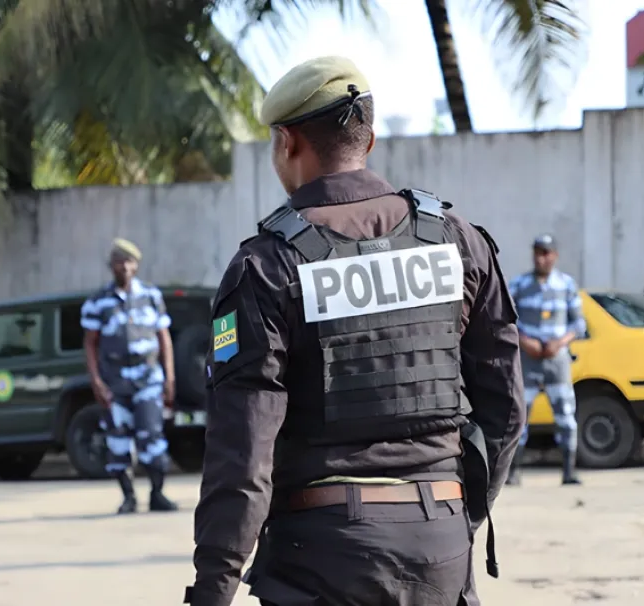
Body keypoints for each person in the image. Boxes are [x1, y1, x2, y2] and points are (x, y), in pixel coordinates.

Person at [185, 56, 525, 606]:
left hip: (319, 557)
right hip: (440, 547)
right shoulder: (457, 242)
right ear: (367, 139)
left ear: (286, 142)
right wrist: (462, 512)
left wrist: (212, 589)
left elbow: (243, 453)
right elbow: (506, 409)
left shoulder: (269, 266)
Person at [80, 238, 178, 514]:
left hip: (148, 380)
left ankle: (158, 493)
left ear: (136, 265)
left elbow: (164, 337)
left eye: (129, 261)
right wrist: (96, 382)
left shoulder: (151, 296)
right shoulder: (97, 302)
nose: (123, 266)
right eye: (118, 261)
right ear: (110, 266)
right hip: (115, 382)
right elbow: (90, 344)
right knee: (118, 442)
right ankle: (128, 496)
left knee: (153, 438)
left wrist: (169, 377)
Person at [506, 234, 585, 486]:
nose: (542, 257)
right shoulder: (518, 285)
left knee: (565, 414)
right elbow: (504, 319)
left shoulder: (566, 285)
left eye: (547, 252)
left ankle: (569, 471)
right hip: (528, 360)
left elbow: (578, 324)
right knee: (520, 415)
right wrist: (523, 340)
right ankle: (513, 471)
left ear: (555, 255)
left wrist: (560, 342)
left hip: (557, 360)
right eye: (538, 252)